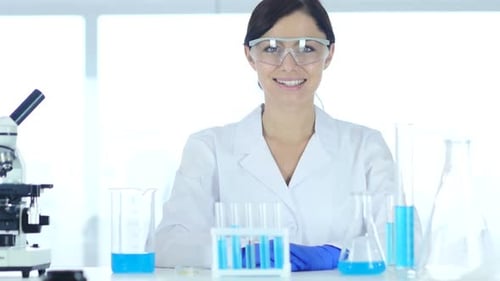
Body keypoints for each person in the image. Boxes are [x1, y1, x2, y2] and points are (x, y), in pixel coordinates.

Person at [154, 0, 399, 271]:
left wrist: (337, 254)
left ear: (328, 55)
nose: (289, 65)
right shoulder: (208, 148)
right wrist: (237, 254)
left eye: (307, 48)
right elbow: (167, 245)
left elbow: (402, 242)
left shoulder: (365, 147)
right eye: (272, 48)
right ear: (250, 55)